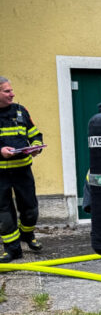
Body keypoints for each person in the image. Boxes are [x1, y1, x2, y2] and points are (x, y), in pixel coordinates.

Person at [0, 77, 44, 263]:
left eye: (11, 90)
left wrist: (36, 146)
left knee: (31, 210)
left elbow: (35, 134)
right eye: (7, 91)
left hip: (22, 171)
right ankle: (12, 249)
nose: (13, 94)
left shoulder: (21, 111)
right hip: (1, 174)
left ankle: (27, 235)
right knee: (4, 214)